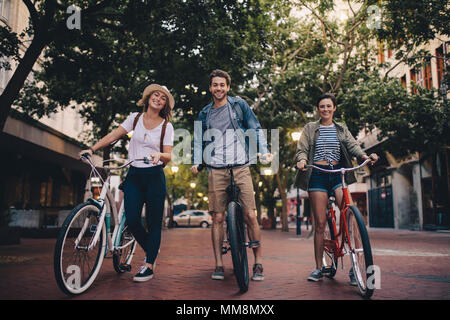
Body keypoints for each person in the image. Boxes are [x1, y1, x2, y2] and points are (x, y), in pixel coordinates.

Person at [79, 84, 174, 282]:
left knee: (154, 223)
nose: (158, 99)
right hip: (134, 176)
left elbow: (168, 155)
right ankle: (152, 251)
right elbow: (114, 134)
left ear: (165, 105)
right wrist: (92, 148)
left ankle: (149, 264)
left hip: (154, 176)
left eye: (163, 98)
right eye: (155, 95)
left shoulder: (166, 126)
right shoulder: (135, 118)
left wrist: (159, 155)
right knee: (131, 219)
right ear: (148, 98)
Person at [191, 69, 272, 281]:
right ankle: (218, 264)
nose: (218, 88)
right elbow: (199, 140)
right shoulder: (204, 113)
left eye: (222, 85)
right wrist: (197, 161)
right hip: (216, 168)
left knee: (250, 215)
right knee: (217, 217)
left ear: (228, 86)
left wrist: (263, 151)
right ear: (210, 88)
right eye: (215, 85)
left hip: (241, 166)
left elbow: (254, 128)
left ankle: (258, 263)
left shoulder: (239, 105)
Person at [294, 93, 378, 284]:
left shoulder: (341, 129)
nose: (325, 109)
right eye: (322, 106)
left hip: (338, 175)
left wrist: (365, 156)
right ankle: (318, 267)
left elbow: (353, 146)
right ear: (318, 109)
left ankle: (354, 266)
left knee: (351, 218)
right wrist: (301, 159)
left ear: (334, 108)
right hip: (317, 175)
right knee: (320, 224)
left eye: (329, 106)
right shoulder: (310, 128)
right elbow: (302, 148)